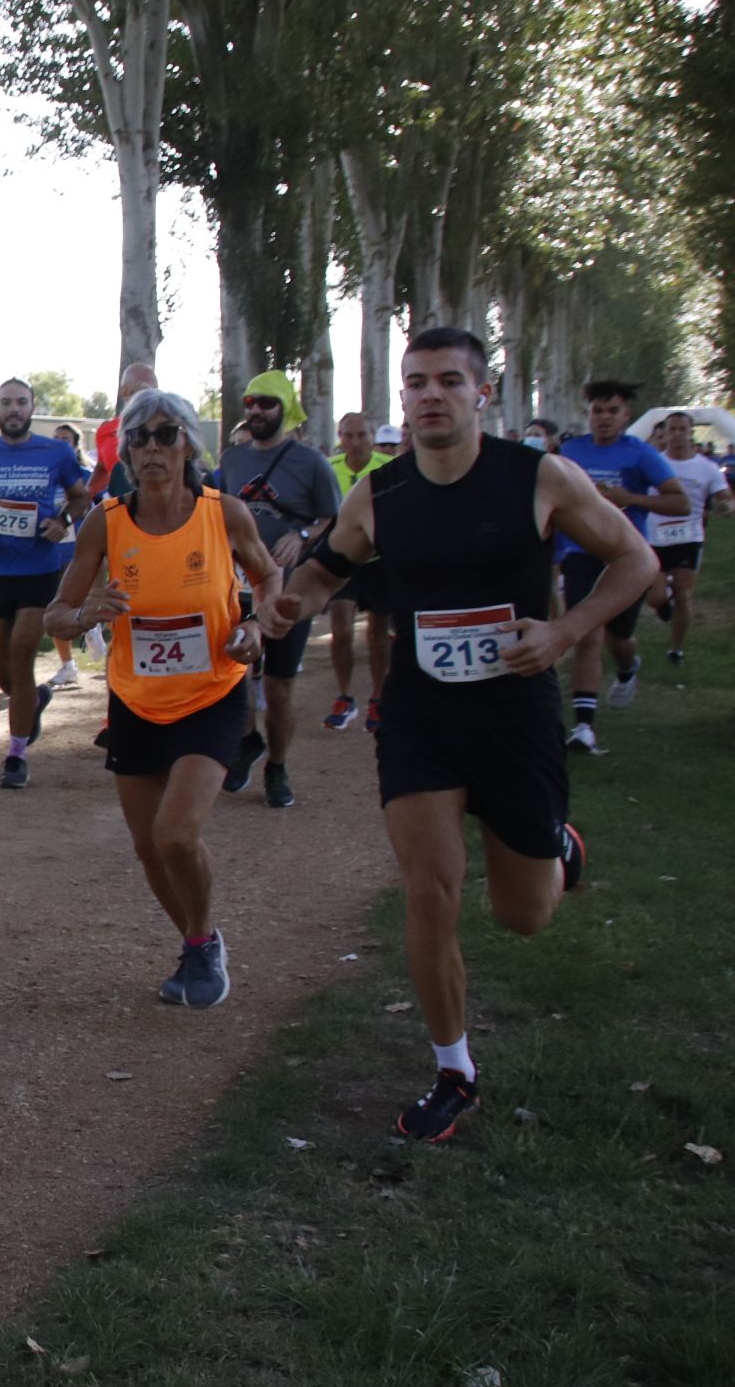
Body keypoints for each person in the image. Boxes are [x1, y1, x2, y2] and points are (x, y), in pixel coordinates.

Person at [272, 327, 651, 1142]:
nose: (431, 394)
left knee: (526, 914)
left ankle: (558, 846)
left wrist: (561, 633)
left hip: (514, 715)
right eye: (416, 383)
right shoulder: (381, 492)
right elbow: (325, 570)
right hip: (422, 715)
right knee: (430, 891)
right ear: (402, 400)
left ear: (482, 393)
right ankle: (455, 1071)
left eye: (449, 380)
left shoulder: (537, 476)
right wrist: (289, 602)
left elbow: (634, 562)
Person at [46, 388, 279, 1010]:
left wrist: (257, 626)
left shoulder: (222, 512)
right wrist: (85, 612)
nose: (152, 448)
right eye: (139, 438)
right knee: (149, 844)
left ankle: (201, 943)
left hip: (212, 694)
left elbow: (268, 575)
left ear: (187, 446)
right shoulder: (107, 520)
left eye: (165, 435)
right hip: (135, 700)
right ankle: (199, 943)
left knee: (177, 834)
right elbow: (57, 614)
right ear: (125, 452)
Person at [212, 370, 343, 806]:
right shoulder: (231, 461)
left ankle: (277, 766)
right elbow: (216, 511)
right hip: (238, 587)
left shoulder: (311, 463)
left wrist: (301, 536)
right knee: (235, 673)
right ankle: (248, 741)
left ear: (286, 409)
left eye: (266, 403)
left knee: (280, 686)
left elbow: (332, 518)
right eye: (250, 403)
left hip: (288, 590)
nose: (256, 412)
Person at [0, 378, 90, 789]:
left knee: (20, 655)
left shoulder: (56, 452)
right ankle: (33, 700)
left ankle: (16, 754)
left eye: (20, 402)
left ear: (32, 408)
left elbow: (80, 496)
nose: (13, 409)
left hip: (39, 568)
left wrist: (62, 521)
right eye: (5, 403)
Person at [554, 381, 688, 749]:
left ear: (626, 415)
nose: (604, 418)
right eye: (598, 411)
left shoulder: (641, 454)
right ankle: (584, 728)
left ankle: (628, 668)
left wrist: (626, 498)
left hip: (627, 557)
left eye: (612, 411)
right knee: (587, 630)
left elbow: (681, 503)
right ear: (589, 415)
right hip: (580, 553)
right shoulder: (571, 450)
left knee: (618, 638)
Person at [322, 412, 395, 732]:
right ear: (340, 437)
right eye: (347, 436)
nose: (354, 442)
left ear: (372, 435)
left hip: (380, 561)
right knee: (342, 629)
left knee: (378, 633)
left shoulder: (388, 466)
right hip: (343, 560)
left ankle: (378, 697)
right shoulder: (329, 467)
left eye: (361, 435)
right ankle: (344, 695)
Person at [645, 411, 730, 667]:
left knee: (683, 596)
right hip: (655, 536)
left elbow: (724, 496)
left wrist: (727, 506)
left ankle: (676, 650)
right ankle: (663, 599)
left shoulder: (707, 467)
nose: (678, 434)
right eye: (673, 429)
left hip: (689, 536)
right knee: (653, 597)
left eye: (683, 429)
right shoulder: (653, 462)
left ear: (691, 432)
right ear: (664, 432)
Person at [45, 424, 90, 689]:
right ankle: (68, 665)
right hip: (52, 549)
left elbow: (91, 508)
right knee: (54, 604)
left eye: (66, 439)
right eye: (56, 438)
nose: (60, 442)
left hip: (80, 550)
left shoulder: (86, 474)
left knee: (81, 603)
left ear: (76, 445)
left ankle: (92, 630)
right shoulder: (47, 473)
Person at [92, 361, 157, 500]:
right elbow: (102, 468)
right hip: (120, 512)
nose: (147, 398)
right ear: (124, 392)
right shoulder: (105, 431)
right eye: (141, 391)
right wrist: (85, 495)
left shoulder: (164, 431)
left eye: (153, 392)